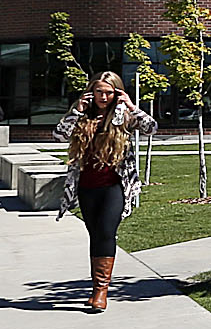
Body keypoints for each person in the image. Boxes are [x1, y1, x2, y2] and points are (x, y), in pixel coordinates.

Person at [52, 72, 156, 312]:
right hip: (87, 186)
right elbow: (58, 136)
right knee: (95, 235)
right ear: (92, 92)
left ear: (117, 93)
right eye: (99, 91)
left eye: (109, 92)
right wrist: (77, 110)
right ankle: (95, 289)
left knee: (106, 232)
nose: (104, 96)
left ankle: (101, 292)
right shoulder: (82, 116)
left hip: (114, 186)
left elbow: (151, 127)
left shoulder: (123, 116)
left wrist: (130, 105)